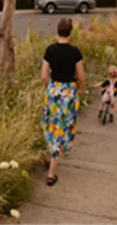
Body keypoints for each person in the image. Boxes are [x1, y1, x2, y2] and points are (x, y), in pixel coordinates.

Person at [41, 18, 86, 187]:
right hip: (68, 93)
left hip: (53, 92)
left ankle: (49, 156)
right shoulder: (75, 52)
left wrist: (49, 88)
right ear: (70, 32)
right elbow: (80, 76)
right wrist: (81, 89)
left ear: (58, 31)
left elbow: (44, 75)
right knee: (62, 128)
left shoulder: (50, 50)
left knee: (51, 124)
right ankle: (51, 174)